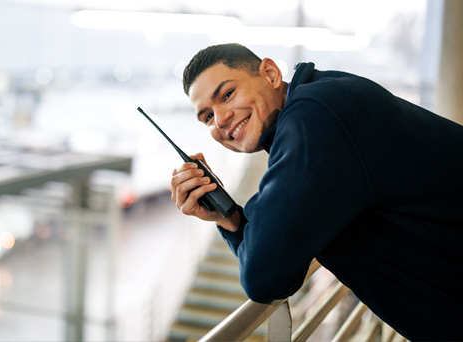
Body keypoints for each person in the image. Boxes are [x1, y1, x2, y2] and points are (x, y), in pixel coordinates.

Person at [170, 43, 463, 340]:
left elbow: (263, 277)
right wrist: (228, 217)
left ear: (270, 74)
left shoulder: (314, 118)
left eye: (228, 94)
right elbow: (284, 270)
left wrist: (235, 222)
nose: (220, 120)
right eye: (207, 117)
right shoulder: (320, 96)